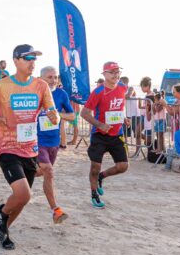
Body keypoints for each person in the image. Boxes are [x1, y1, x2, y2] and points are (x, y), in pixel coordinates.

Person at [0, 44, 57, 251]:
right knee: (24, 194)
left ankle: (3, 230)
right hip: (7, 146)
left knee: (21, 200)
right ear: (16, 60)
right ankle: (1, 213)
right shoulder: (0, 85)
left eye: (34, 58)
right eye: (28, 58)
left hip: (30, 148)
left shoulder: (41, 86)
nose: (32, 62)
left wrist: (55, 117)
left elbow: (53, 112)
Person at [81, 62, 129, 209]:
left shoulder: (123, 88)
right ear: (104, 74)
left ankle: (102, 177)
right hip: (100, 135)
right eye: (111, 72)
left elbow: (119, 107)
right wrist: (99, 124)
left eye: (117, 71)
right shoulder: (98, 92)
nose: (115, 75)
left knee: (123, 166)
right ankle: (94, 193)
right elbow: (84, 113)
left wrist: (124, 118)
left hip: (117, 134)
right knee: (95, 167)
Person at [36, 66, 76, 224]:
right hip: (38, 140)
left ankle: (24, 175)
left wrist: (57, 114)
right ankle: (56, 210)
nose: (53, 80)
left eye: (55, 77)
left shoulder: (61, 94)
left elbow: (72, 115)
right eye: (50, 77)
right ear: (41, 79)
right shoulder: (34, 94)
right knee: (49, 171)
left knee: (42, 172)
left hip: (54, 141)